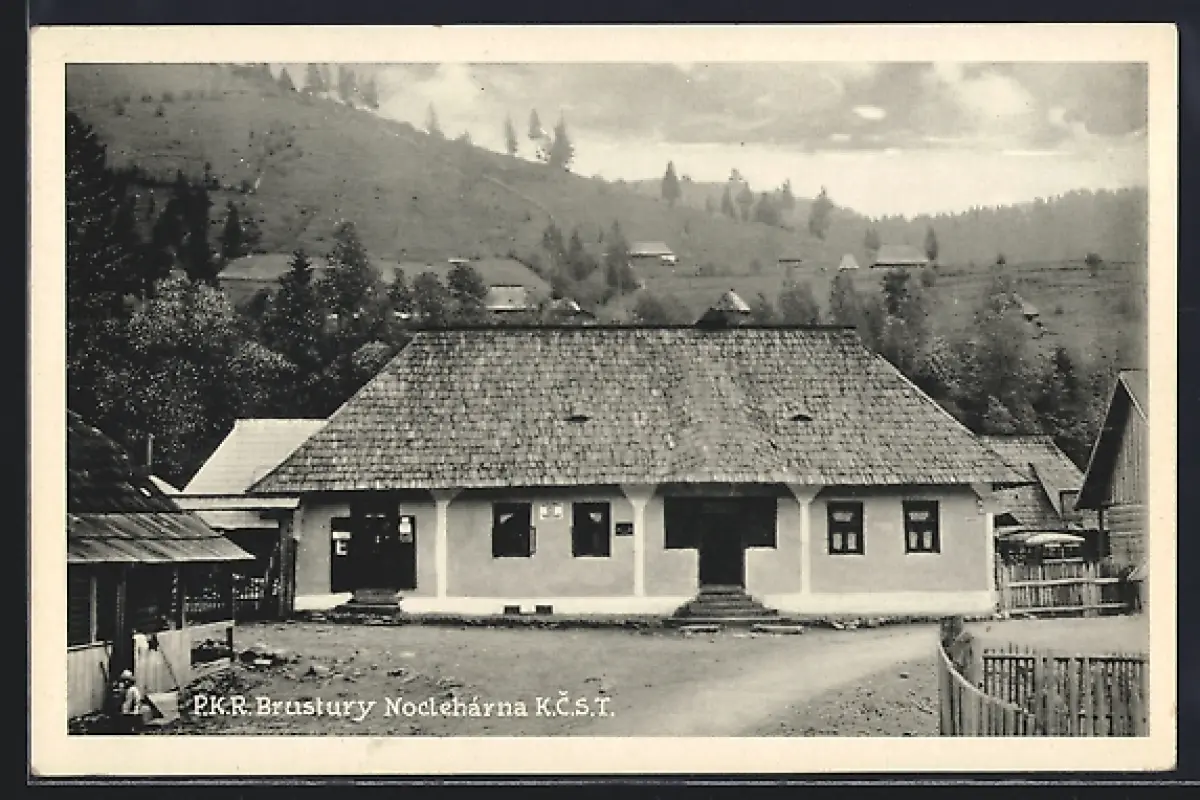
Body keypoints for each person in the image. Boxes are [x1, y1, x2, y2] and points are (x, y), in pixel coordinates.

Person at [111, 670, 144, 734]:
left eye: (127, 680)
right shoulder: (126, 690)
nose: (125, 682)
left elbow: (137, 701)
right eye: (124, 680)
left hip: (132, 714)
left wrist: (135, 711)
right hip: (125, 713)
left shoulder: (133, 689)